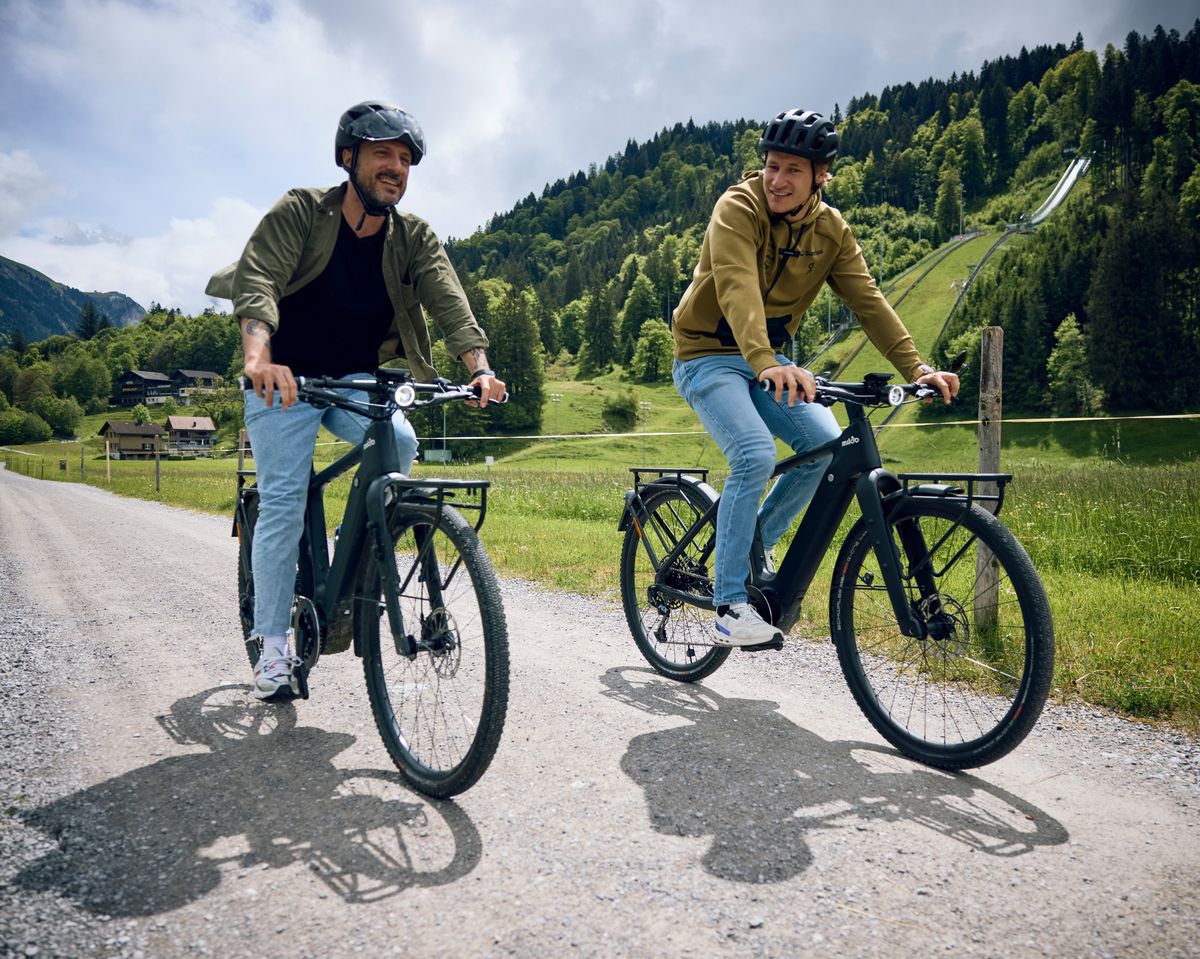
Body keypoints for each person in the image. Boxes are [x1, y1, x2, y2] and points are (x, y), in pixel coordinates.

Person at [206, 101, 506, 700]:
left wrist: (480, 369)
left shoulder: (412, 236)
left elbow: (449, 302)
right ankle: (271, 649)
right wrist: (258, 357)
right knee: (286, 503)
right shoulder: (301, 212)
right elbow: (260, 279)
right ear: (349, 159)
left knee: (399, 438)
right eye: (381, 155)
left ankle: (357, 539)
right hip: (284, 378)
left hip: (353, 378)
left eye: (404, 159)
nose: (395, 168)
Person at [670, 107, 959, 647]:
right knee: (754, 453)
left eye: (793, 170)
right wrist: (765, 361)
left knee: (826, 446)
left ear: (821, 176)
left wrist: (916, 367)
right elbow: (736, 287)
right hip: (708, 356)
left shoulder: (831, 232)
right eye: (772, 166)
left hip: (767, 363)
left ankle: (751, 541)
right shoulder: (738, 207)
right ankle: (729, 604)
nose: (777, 180)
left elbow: (868, 300)